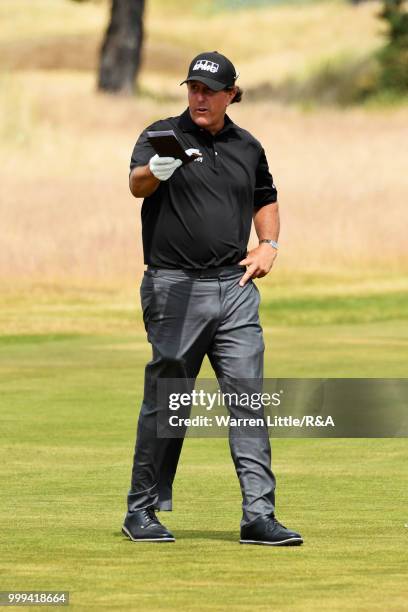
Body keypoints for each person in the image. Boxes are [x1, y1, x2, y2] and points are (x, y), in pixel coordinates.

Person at [123, 51, 303, 546]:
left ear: (231, 94)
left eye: (209, 90)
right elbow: (137, 184)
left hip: (236, 288)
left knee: (248, 401)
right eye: (193, 88)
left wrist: (268, 245)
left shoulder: (248, 145)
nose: (199, 97)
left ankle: (258, 516)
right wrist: (157, 170)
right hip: (175, 286)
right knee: (170, 403)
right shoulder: (164, 134)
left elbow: (265, 197)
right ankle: (142, 511)